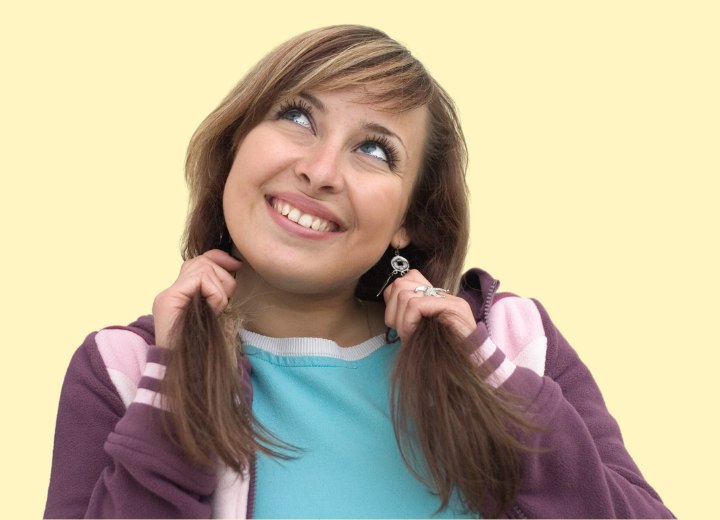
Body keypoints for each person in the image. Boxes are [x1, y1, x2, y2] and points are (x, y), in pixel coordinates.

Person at [44, 25, 673, 519]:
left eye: (374, 150)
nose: (320, 171)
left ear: (408, 221)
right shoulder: (125, 373)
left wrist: (492, 384)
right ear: (236, 145)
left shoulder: (515, 345)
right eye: (296, 116)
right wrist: (176, 390)